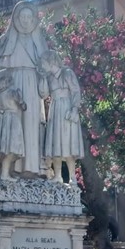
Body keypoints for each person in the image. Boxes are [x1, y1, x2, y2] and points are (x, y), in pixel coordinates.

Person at [0, 1, 49, 177]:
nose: (26, 20)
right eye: (23, 17)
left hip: (32, 83)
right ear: (16, 18)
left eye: (29, 17)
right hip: (11, 83)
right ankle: (9, 169)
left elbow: (47, 63)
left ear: (33, 19)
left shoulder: (39, 40)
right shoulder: (6, 39)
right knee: (12, 126)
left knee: (31, 124)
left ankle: (31, 168)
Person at [39, 50, 84, 184]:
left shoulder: (67, 73)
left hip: (66, 108)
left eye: (44, 63)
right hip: (55, 109)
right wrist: (43, 78)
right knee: (55, 142)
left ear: (50, 61)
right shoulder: (49, 77)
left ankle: (72, 177)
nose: (42, 65)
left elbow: (76, 91)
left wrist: (74, 108)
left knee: (68, 142)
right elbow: (44, 94)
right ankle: (57, 176)